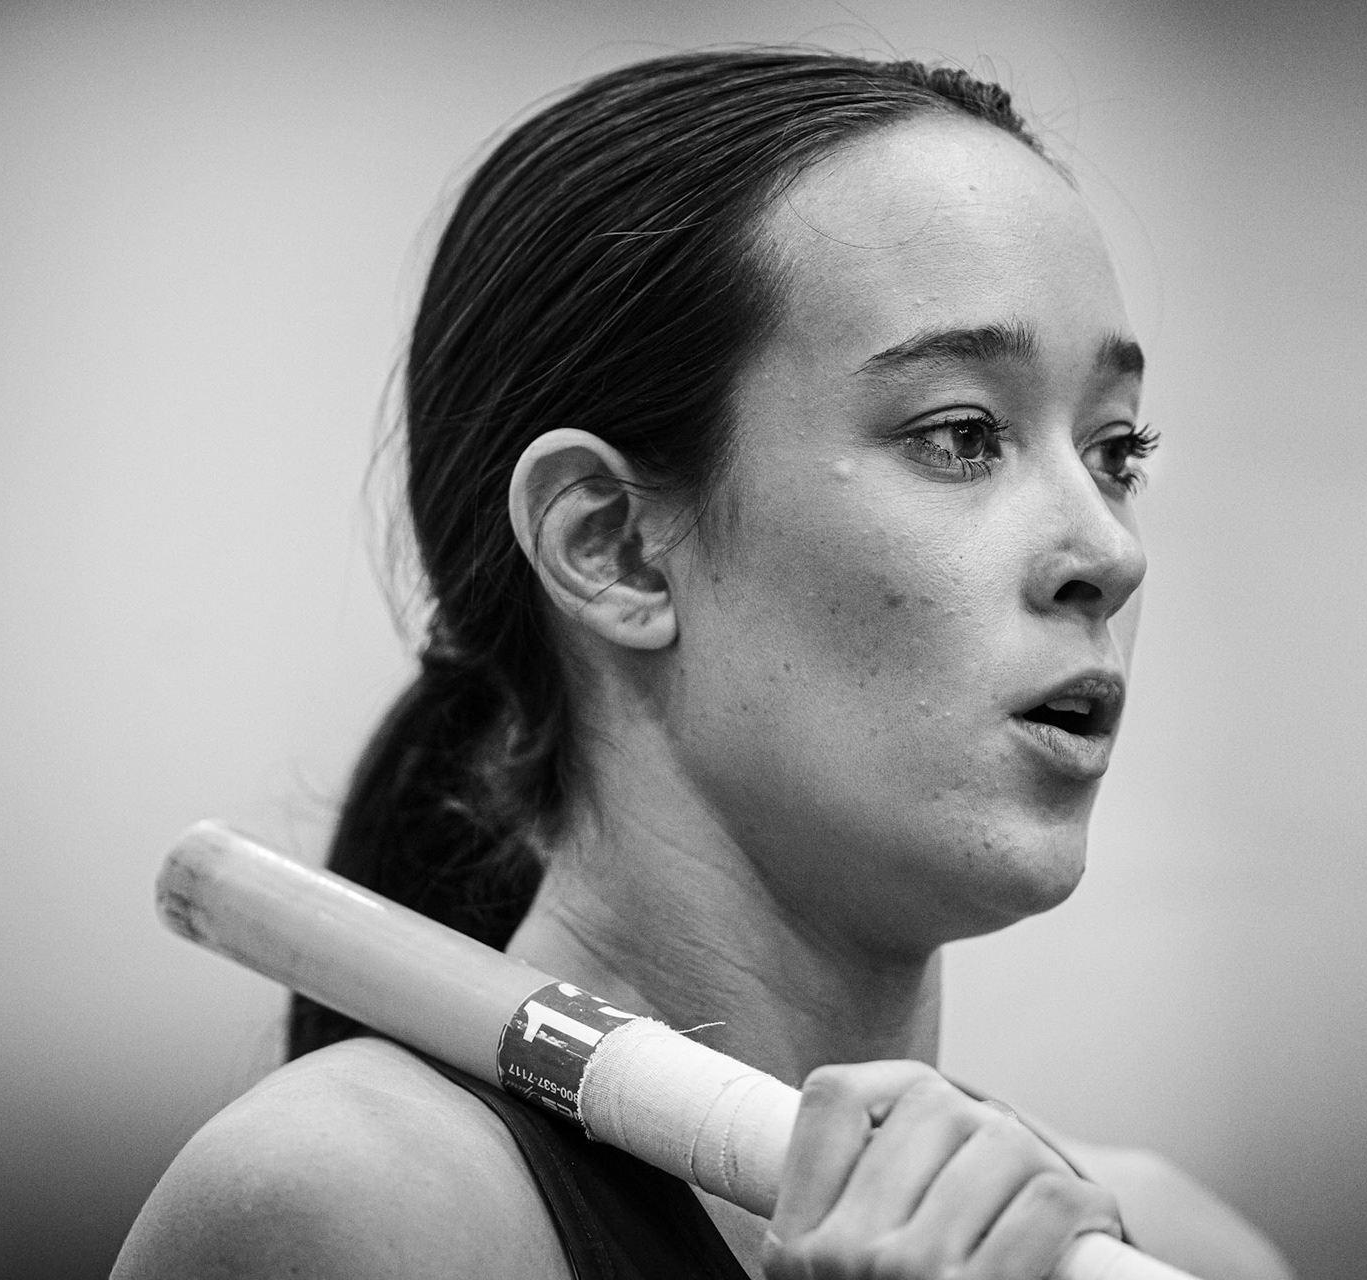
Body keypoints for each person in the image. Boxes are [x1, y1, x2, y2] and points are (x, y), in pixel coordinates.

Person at [114, 48, 1294, 1280]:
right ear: (614, 547)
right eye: (962, 434)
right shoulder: (344, 1210)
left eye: (1118, 450)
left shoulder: (1168, 1242)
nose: (1106, 550)